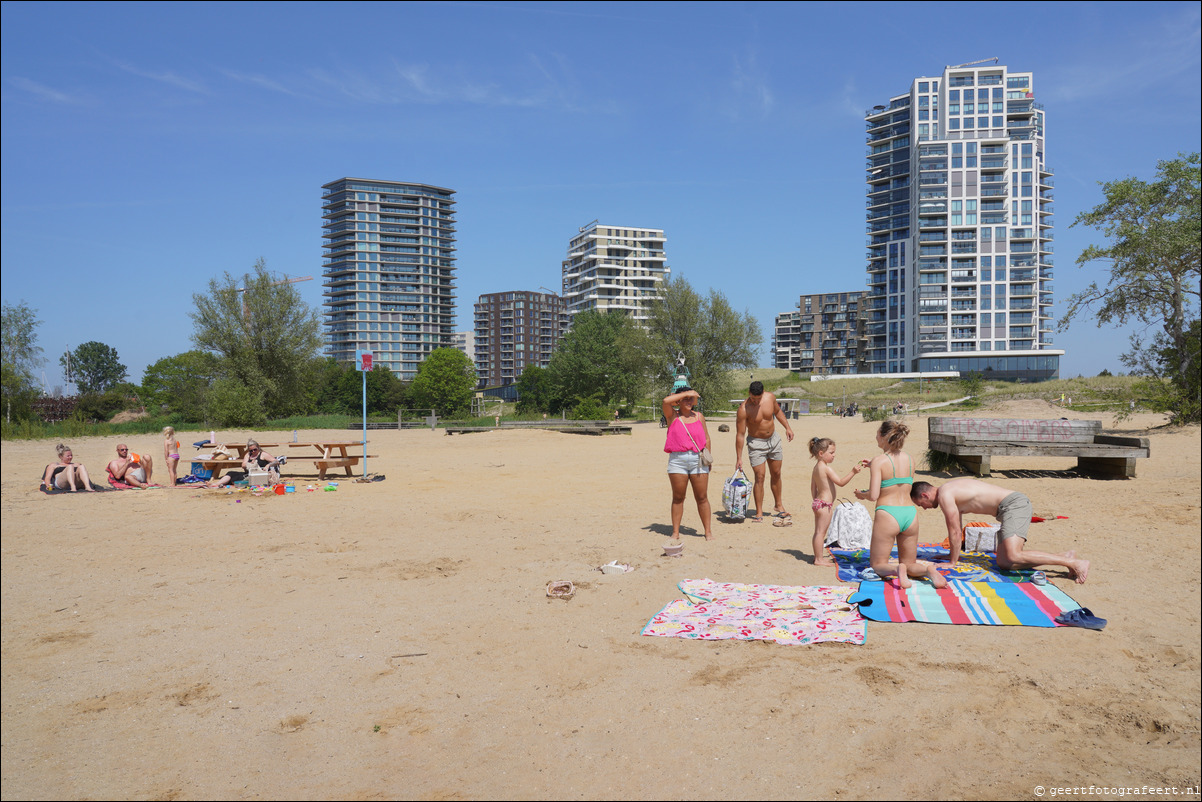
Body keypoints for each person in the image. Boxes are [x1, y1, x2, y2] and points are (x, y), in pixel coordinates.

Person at [911, 477, 1090, 583]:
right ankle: (1064, 557)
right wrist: (952, 556)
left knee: (1013, 555)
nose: (925, 508)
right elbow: (956, 530)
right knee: (1004, 562)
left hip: (1014, 505)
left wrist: (951, 563)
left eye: (922, 504)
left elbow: (956, 533)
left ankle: (1076, 564)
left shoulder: (945, 495)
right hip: (1007, 510)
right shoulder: (948, 490)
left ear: (925, 495)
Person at [854, 420, 946, 589]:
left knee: (877, 564)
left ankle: (897, 569)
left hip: (888, 513)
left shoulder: (879, 461)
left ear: (883, 437)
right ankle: (928, 571)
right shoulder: (910, 459)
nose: (876, 437)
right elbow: (896, 481)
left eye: (877, 434)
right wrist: (873, 466)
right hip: (909, 514)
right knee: (910, 563)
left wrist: (862, 494)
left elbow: (874, 495)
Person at [734, 381, 795, 522]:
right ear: (749, 393)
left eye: (758, 398)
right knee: (759, 476)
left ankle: (778, 506)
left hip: (773, 440)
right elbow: (740, 434)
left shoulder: (770, 398)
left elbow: (778, 412)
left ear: (763, 393)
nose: (755, 401)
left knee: (776, 473)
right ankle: (759, 512)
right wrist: (739, 457)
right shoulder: (743, 409)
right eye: (753, 398)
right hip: (756, 443)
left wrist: (788, 427)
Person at [662, 387, 713, 541]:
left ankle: (708, 531)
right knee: (678, 497)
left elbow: (707, 438)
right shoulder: (672, 415)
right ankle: (675, 532)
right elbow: (665, 401)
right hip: (678, 460)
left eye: (692, 398)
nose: (690, 401)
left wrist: (708, 457)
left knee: (702, 497)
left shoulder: (699, 416)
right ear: (678, 400)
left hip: (698, 459)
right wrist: (684, 394)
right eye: (686, 398)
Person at [808, 437, 867, 567]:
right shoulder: (826, 468)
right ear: (821, 454)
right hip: (824, 505)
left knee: (818, 531)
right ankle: (818, 559)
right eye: (831, 453)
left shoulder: (816, 467)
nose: (834, 455)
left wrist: (815, 501)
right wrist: (853, 472)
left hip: (818, 503)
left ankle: (818, 557)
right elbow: (840, 483)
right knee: (820, 533)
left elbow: (813, 487)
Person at [208, 439, 285, 488]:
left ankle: (219, 484)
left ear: (258, 447)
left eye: (255, 449)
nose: (253, 452)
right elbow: (243, 465)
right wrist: (250, 464)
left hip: (260, 475)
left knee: (242, 480)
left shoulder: (263, 454)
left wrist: (268, 465)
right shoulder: (248, 455)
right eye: (251, 450)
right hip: (248, 474)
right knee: (230, 473)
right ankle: (216, 484)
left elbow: (276, 461)